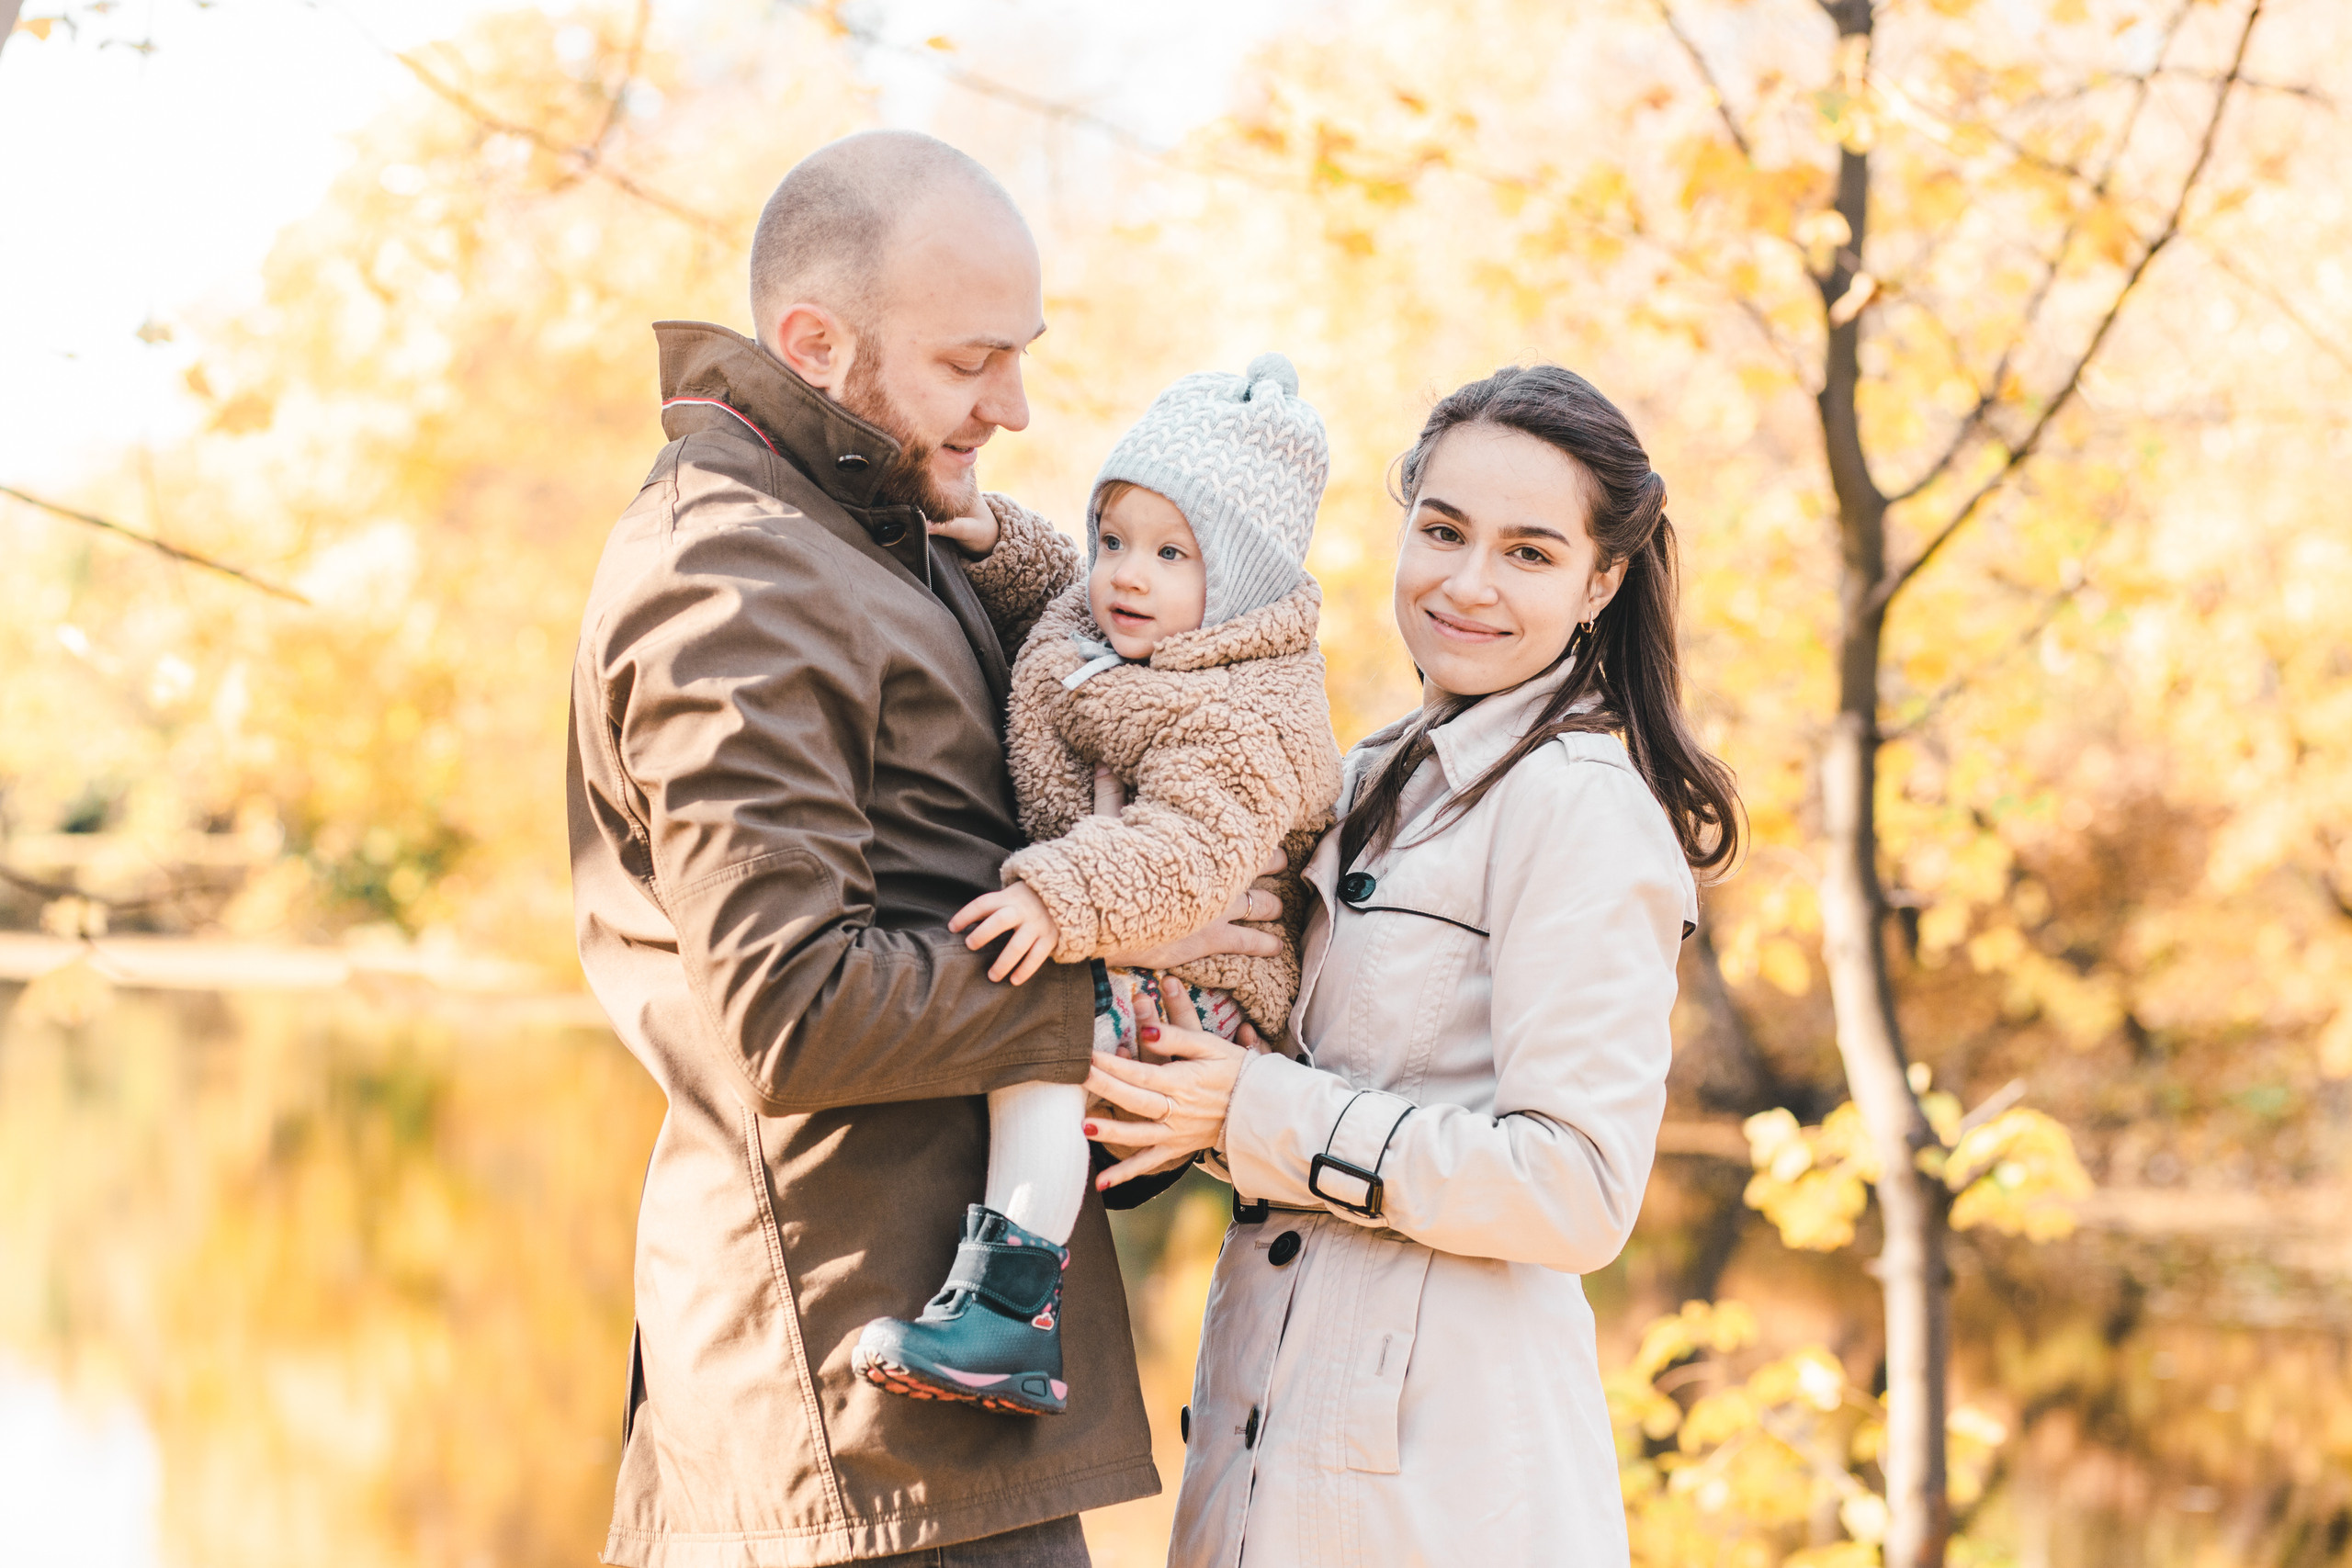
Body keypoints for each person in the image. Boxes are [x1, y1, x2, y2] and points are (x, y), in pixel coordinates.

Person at [565, 130, 1280, 1568]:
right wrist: (1104, 988)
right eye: (970, 363)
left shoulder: (885, 538)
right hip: (845, 1436)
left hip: (939, 1424)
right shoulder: (735, 572)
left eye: (1018, 355)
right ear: (816, 343)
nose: (1013, 407)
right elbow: (795, 1011)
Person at [1084, 365, 1743, 1564]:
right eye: (1442, 530)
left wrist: (1259, 1108)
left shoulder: (1579, 806)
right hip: (1269, 1454)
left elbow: (1577, 1186)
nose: (1469, 582)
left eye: (1530, 553)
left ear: (1602, 580)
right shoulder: (1373, 774)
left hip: (1443, 1500)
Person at [852, 355, 1343, 1417]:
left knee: (1040, 1036)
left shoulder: (1246, 714)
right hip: (1130, 925)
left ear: (1243, 583)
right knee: (1034, 1025)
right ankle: (995, 1301)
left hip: (1203, 996)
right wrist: (984, 532)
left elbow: (1188, 848)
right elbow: (1050, 590)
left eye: (1173, 553)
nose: (1127, 574)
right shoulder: (1115, 625)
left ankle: (1007, 1311)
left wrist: (1058, 898)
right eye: (1114, 538)